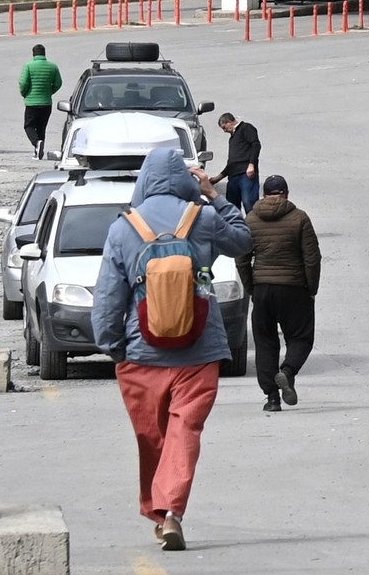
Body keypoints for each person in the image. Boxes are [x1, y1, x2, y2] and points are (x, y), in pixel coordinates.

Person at [93, 145, 252, 554]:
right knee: (186, 432)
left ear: (144, 180)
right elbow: (243, 242)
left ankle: (158, 512)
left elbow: (110, 295)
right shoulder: (204, 219)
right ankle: (172, 512)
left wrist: (113, 345)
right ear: (184, 179)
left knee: (152, 437)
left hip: (141, 354)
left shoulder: (124, 228)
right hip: (199, 351)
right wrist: (214, 195)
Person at [244, 173, 321, 412]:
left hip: (263, 289)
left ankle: (272, 399)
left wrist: (252, 289)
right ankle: (287, 371)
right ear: (286, 193)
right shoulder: (300, 218)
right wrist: (311, 288)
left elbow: (242, 259)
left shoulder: (251, 219)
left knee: (265, 341)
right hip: (294, 287)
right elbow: (312, 257)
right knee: (301, 337)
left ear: (264, 195)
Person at [18, 43, 58, 158]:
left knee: (29, 126)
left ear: (33, 54)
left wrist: (24, 93)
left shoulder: (29, 66)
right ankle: (38, 152)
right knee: (41, 127)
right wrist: (50, 92)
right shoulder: (53, 67)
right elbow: (58, 83)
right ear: (44, 54)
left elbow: (23, 83)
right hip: (46, 103)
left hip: (32, 103)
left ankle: (36, 143)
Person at [216, 113, 262, 212]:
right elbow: (231, 163)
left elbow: (255, 145)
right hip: (233, 176)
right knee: (232, 206)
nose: (224, 131)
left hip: (246, 173)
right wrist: (218, 177)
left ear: (229, 122)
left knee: (249, 202)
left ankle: (252, 225)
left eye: (224, 127)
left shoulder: (246, 128)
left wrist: (251, 164)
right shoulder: (232, 138)